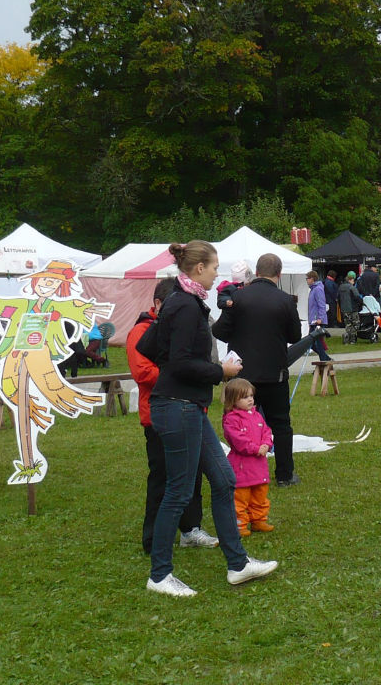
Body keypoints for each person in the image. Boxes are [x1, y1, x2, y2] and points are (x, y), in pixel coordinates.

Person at [143, 240, 276, 597]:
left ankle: (238, 565)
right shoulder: (184, 305)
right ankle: (159, 575)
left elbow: (150, 347)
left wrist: (180, 364)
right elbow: (182, 361)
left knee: (223, 479)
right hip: (178, 407)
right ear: (198, 268)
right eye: (215, 267)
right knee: (179, 491)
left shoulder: (180, 301)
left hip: (188, 406)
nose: (219, 273)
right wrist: (222, 371)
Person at [128, 278, 217, 554]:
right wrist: (180, 374)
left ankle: (191, 528)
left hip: (190, 408)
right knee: (163, 478)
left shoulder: (181, 325)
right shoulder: (142, 331)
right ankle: (153, 539)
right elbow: (142, 371)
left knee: (193, 474)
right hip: (158, 414)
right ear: (158, 306)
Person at [213, 253, 303, 488]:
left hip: (242, 375)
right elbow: (295, 336)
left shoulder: (238, 298)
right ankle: (285, 474)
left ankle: (239, 471)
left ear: (257, 271)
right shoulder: (285, 300)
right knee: (281, 424)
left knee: (237, 423)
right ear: (279, 274)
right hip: (275, 373)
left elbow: (219, 331)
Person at [221, 377, 275, 536]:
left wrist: (266, 444)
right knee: (241, 498)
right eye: (245, 397)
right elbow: (238, 440)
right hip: (242, 466)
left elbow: (267, 431)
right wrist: (255, 448)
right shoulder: (231, 419)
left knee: (260, 494)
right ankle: (239, 525)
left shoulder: (257, 416)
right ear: (233, 400)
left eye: (251, 396)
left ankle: (259, 520)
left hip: (259, 466)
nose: (250, 399)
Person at [304, 271, 332, 365]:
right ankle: (326, 359)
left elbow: (321, 304)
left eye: (307, 278)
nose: (306, 280)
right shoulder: (312, 289)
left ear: (312, 278)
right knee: (312, 343)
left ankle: (324, 362)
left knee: (317, 343)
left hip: (317, 321)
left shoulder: (318, 289)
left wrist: (320, 318)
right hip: (313, 320)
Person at [338, 271, 362, 345]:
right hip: (352, 308)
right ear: (351, 279)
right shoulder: (352, 287)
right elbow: (357, 297)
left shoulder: (340, 287)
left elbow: (338, 298)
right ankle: (352, 339)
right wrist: (361, 302)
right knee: (356, 323)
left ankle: (346, 337)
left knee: (348, 324)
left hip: (344, 309)